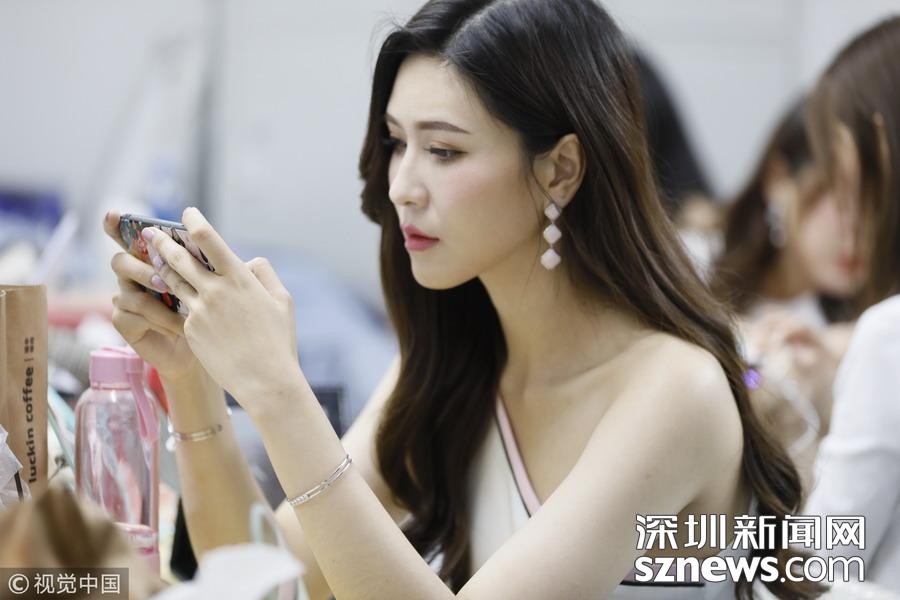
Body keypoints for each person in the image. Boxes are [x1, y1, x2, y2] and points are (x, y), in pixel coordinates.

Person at [104, 0, 822, 598]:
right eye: (396, 143)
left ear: (560, 170)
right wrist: (191, 381)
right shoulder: (456, 364)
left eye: (444, 151)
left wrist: (279, 391)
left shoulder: (676, 392)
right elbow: (264, 582)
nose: (402, 186)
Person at [709, 101, 864, 489]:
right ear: (779, 179)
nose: (859, 228)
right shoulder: (690, 261)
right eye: (843, 195)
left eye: (880, 205)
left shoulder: (851, 334)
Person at [800, 15, 900, 592]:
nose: (840, 205)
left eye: (836, 167)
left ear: (880, 148)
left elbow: (817, 566)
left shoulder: (888, 336)